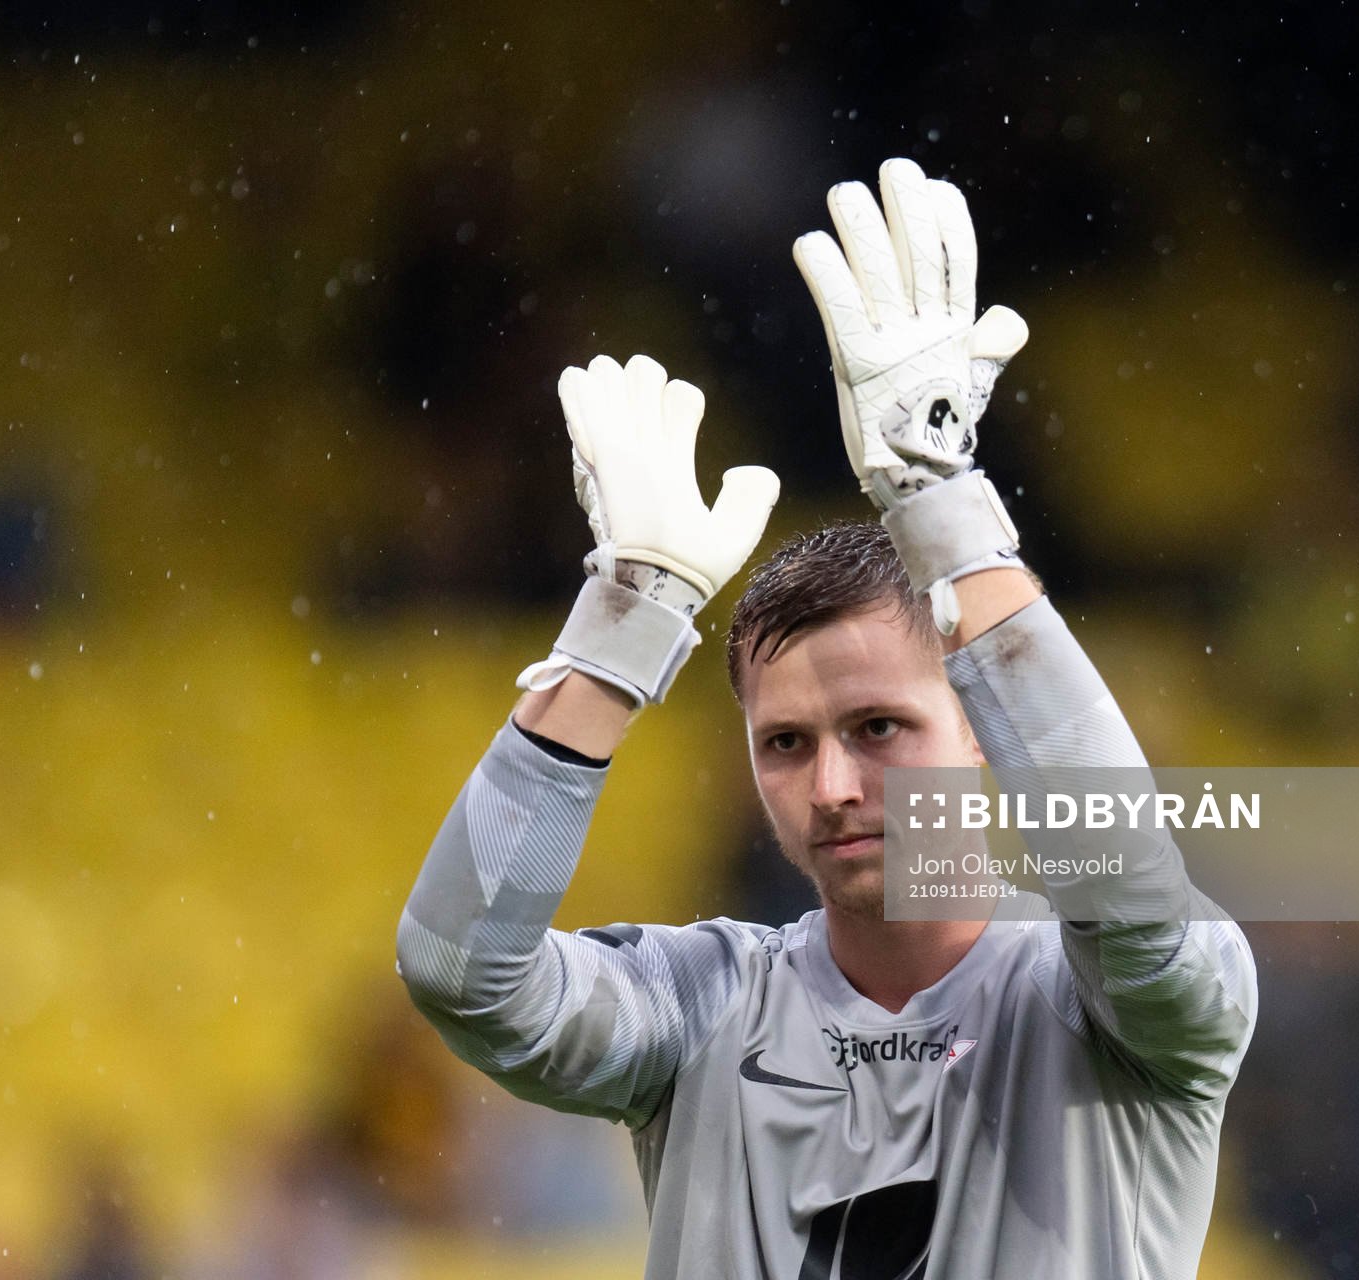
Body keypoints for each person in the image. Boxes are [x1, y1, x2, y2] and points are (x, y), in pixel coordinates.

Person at [397, 158, 1258, 1279]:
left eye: (880, 727)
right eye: (785, 744)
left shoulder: (1118, 1006)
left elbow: (1132, 895)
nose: (835, 785)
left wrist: (940, 500)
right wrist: (624, 622)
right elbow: (462, 972)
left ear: (983, 729)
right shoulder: (702, 1005)